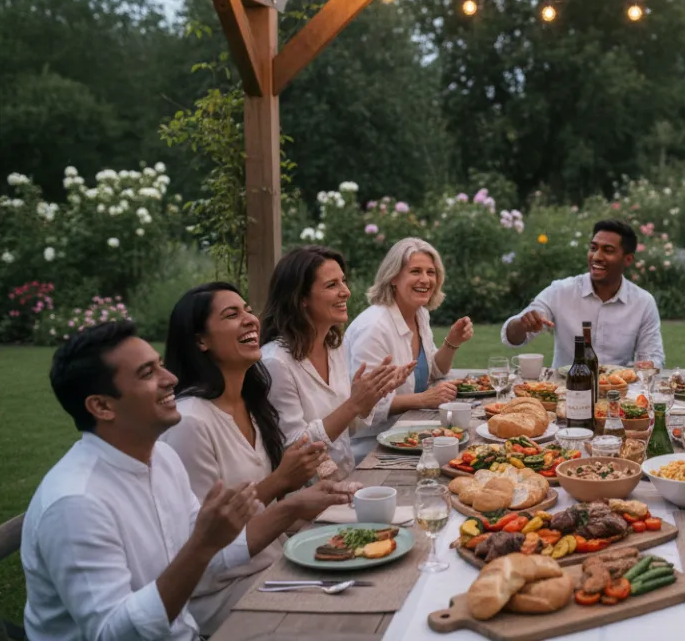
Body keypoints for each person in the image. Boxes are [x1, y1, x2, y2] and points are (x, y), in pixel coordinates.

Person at [21, 321, 348, 641]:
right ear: (102, 406)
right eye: (147, 373)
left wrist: (291, 508)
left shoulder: (160, 458)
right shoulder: (76, 503)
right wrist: (202, 544)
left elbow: (214, 556)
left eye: (160, 365)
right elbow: (113, 633)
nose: (171, 379)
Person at [161, 282, 331, 633]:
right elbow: (205, 550)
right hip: (224, 593)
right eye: (231, 314)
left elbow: (272, 498)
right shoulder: (190, 422)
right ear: (200, 341)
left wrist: (300, 484)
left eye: (248, 310)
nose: (250, 320)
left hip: (274, 560)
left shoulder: (252, 404)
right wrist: (281, 484)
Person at [260, 246, 402, 479]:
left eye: (343, 281)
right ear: (301, 298)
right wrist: (353, 404)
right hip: (305, 500)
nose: (346, 291)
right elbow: (296, 448)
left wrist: (368, 400)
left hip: (345, 480)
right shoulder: (275, 362)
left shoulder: (333, 346)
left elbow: (345, 428)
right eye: (331, 285)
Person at [345, 238, 475, 461]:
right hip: (372, 447)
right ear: (394, 277)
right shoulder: (374, 328)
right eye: (415, 271)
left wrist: (452, 342)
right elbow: (366, 403)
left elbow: (434, 371)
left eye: (431, 272)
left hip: (410, 433)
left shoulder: (419, 313)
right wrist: (423, 400)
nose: (425, 279)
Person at [501, 219, 664, 368]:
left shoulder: (643, 302)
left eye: (608, 250)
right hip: (565, 390)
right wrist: (522, 325)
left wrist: (648, 365)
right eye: (593, 248)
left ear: (628, 259)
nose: (597, 256)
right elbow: (511, 338)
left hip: (618, 392)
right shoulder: (561, 291)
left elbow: (654, 357)